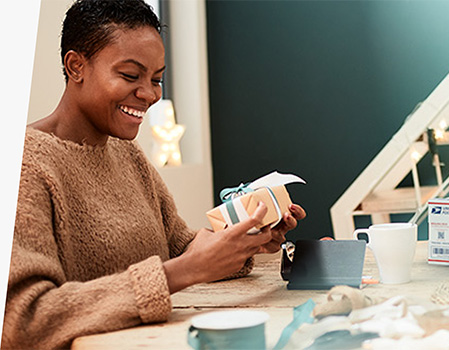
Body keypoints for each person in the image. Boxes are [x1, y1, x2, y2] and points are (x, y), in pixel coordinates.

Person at [1, 0, 306, 348]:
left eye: (157, 79)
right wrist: (189, 269)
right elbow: (21, 320)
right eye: (130, 75)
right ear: (75, 66)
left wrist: (243, 240)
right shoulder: (24, 164)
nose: (149, 94)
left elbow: (180, 248)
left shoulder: (126, 154)